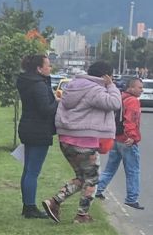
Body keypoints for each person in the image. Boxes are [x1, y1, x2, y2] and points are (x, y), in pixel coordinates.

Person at [42, 60, 122, 224]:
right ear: (105, 76)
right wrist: (111, 86)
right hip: (84, 140)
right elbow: (114, 103)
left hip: (66, 139)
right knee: (92, 178)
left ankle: (54, 202)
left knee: (82, 176)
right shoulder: (94, 89)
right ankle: (82, 215)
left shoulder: (72, 85)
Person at [16, 52, 57, 217]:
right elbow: (45, 109)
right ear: (39, 69)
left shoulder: (26, 81)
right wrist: (59, 103)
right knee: (33, 171)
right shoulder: (39, 85)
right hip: (38, 130)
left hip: (27, 126)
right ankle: (30, 207)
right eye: (48, 65)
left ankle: (27, 205)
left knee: (28, 170)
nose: (50, 68)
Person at [95, 75, 144, 209]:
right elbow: (131, 120)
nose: (142, 90)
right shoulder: (133, 101)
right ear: (131, 87)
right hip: (127, 140)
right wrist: (133, 136)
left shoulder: (120, 98)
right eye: (139, 87)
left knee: (110, 169)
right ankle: (132, 198)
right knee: (133, 171)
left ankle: (97, 190)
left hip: (116, 138)